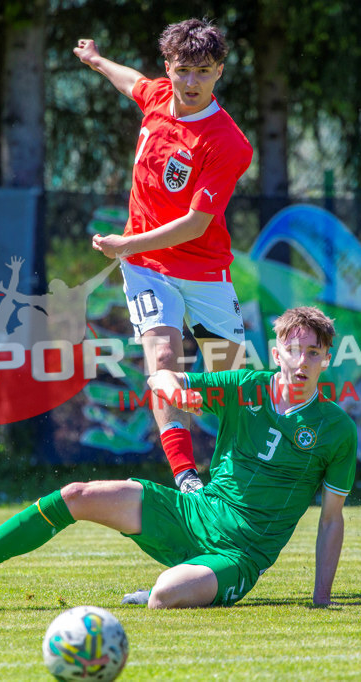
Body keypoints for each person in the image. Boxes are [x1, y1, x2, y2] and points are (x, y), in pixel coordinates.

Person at [0, 306, 356, 608]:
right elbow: (160, 382)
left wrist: (321, 598)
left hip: (241, 552)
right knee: (77, 494)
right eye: (293, 351)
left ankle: (171, 581)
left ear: (326, 359)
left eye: (312, 353)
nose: (301, 362)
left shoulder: (336, 429)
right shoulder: (245, 386)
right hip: (194, 510)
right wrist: (176, 388)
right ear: (277, 353)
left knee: (163, 597)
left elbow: (331, 517)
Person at [74, 18, 254, 494]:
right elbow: (132, 81)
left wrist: (123, 244)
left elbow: (196, 224)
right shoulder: (156, 97)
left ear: (219, 71)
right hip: (149, 266)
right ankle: (187, 478)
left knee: (228, 375)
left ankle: (231, 477)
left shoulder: (228, 143)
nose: (191, 82)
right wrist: (95, 60)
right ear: (168, 67)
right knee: (163, 360)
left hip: (203, 266)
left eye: (203, 71)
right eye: (182, 70)